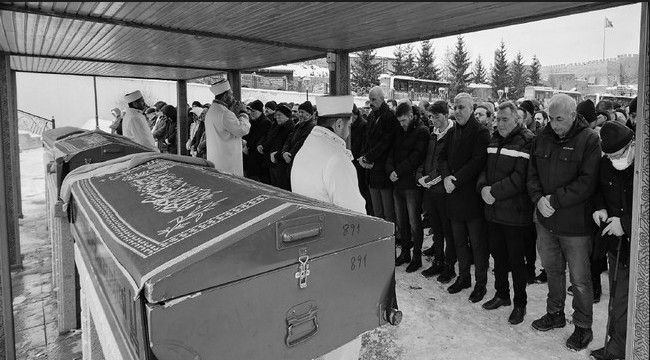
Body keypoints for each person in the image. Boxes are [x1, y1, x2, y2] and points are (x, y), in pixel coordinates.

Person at [291, 95, 366, 360]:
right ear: (337, 125)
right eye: (348, 124)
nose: (350, 130)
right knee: (342, 332)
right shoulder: (336, 158)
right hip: (336, 256)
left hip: (310, 251)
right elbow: (355, 216)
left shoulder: (306, 149)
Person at [527, 93, 601, 351]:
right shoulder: (542, 138)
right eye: (550, 118)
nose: (554, 124)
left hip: (575, 225)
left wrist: (554, 200)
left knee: (580, 279)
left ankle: (582, 326)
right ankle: (555, 313)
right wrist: (538, 199)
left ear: (573, 115)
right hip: (545, 221)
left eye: (559, 119)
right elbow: (532, 173)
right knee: (553, 272)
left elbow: (587, 182)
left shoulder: (589, 140)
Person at [476, 101, 534, 325]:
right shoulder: (494, 139)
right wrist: (482, 188)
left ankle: (520, 303)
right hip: (493, 210)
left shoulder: (527, 141)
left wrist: (494, 192)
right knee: (498, 256)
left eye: (505, 119)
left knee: (516, 261)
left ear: (516, 119)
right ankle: (502, 294)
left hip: (515, 213)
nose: (500, 123)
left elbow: (520, 178)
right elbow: (483, 169)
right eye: (498, 119)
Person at [439, 93, 491, 302]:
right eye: (455, 107)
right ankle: (463, 277)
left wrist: (455, 180)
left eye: (461, 107)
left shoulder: (480, 132)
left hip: (471, 197)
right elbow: (441, 157)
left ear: (471, 109)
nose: (457, 111)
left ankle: (481, 283)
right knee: (459, 241)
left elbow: (477, 161)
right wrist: (445, 178)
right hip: (453, 194)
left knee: (477, 244)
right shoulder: (452, 132)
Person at [590, 121, 635, 360]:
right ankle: (616, 343)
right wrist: (600, 209)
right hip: (613, 243)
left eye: (617, 154)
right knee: (617, 297)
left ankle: (623, 345)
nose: (613, 159)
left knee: (626, 301)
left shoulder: (641, 166)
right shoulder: (605, 163)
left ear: (631, 145)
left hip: (637, 246)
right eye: (609, 155)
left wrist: (625, 223)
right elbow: (597, 189)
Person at [417, 100, 457, 283]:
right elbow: (426, 157)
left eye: (437, 116)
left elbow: (446, 163)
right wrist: (420, 176)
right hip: (430, 189)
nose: (434, 120)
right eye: (431, 116)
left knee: (448, 230)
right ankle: (438, 261)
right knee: (437, 230)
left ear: (446, 115)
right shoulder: (432, 134)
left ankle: (449, 266)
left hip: (443, 190)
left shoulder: (452, 134)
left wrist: (430, 178)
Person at [389, 103, 429, 272]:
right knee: (402, 221)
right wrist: (390, 170)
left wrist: (398, 171)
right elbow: (392, 151)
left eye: (404, 120)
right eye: (399, 121)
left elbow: (417, 156)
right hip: (398, 182)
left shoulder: (422, 131)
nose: (402, 124)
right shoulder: (400, 130)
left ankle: (417, 256)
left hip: (411, 183)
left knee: (414, 222)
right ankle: (405, 252)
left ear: (411, 115)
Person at [358, 87, 400, 242]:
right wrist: (363, 156)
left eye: (374, 100)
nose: (371, 103)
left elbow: (386, 143)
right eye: (370, 100)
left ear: (382, 99)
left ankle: (390, 240)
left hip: (382, 169)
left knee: (387, 211)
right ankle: (380, 239)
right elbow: (366, 139)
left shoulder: (389, 117)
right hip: (371, 169)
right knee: (376, 209)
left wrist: (369, 157)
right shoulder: (372, 116)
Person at [204, 79, 251, 176]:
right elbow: (243, 129)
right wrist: (243, 112)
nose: (233, 98)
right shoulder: (225, 113)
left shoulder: (212, 111)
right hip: (227, 163)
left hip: (216, 159)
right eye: (231, 94)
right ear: (225, 96)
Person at [259, 104, 295, 190]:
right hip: (273, 162)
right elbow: (269, 139)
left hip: (281, 164)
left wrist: (277, 154)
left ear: (287, 116)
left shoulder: (290, 128)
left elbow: (287, 145)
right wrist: (262, 145)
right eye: (276, 115)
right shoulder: (277, 126)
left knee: (281, 188)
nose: (276, 117)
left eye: (279, 115)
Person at [280, 101, 316, 177]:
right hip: (290, 160)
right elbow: (288, 140)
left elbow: (300, 143)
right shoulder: (298, 125)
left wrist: (290, 155)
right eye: (299, 112)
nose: (300, 114)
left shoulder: (311, 127)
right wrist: (284, 152)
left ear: (309, 114)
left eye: (302, 112)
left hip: (298, 163)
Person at [242, 100, 272, 183]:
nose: (251, 113)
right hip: (249, 156)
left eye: (253, 111)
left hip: (258, 160)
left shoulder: (266, 122)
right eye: (250, 111)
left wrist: (247, 146)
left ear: (260, 111)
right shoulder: (252, 121)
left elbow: (259, 138)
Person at [351, 104, 373, 215]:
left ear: (355, 115)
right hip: (352, 164)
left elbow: (363, 146)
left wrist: (358, 162)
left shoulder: (363, 125)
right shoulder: (349, 126)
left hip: (359, 165)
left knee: (363, 193)